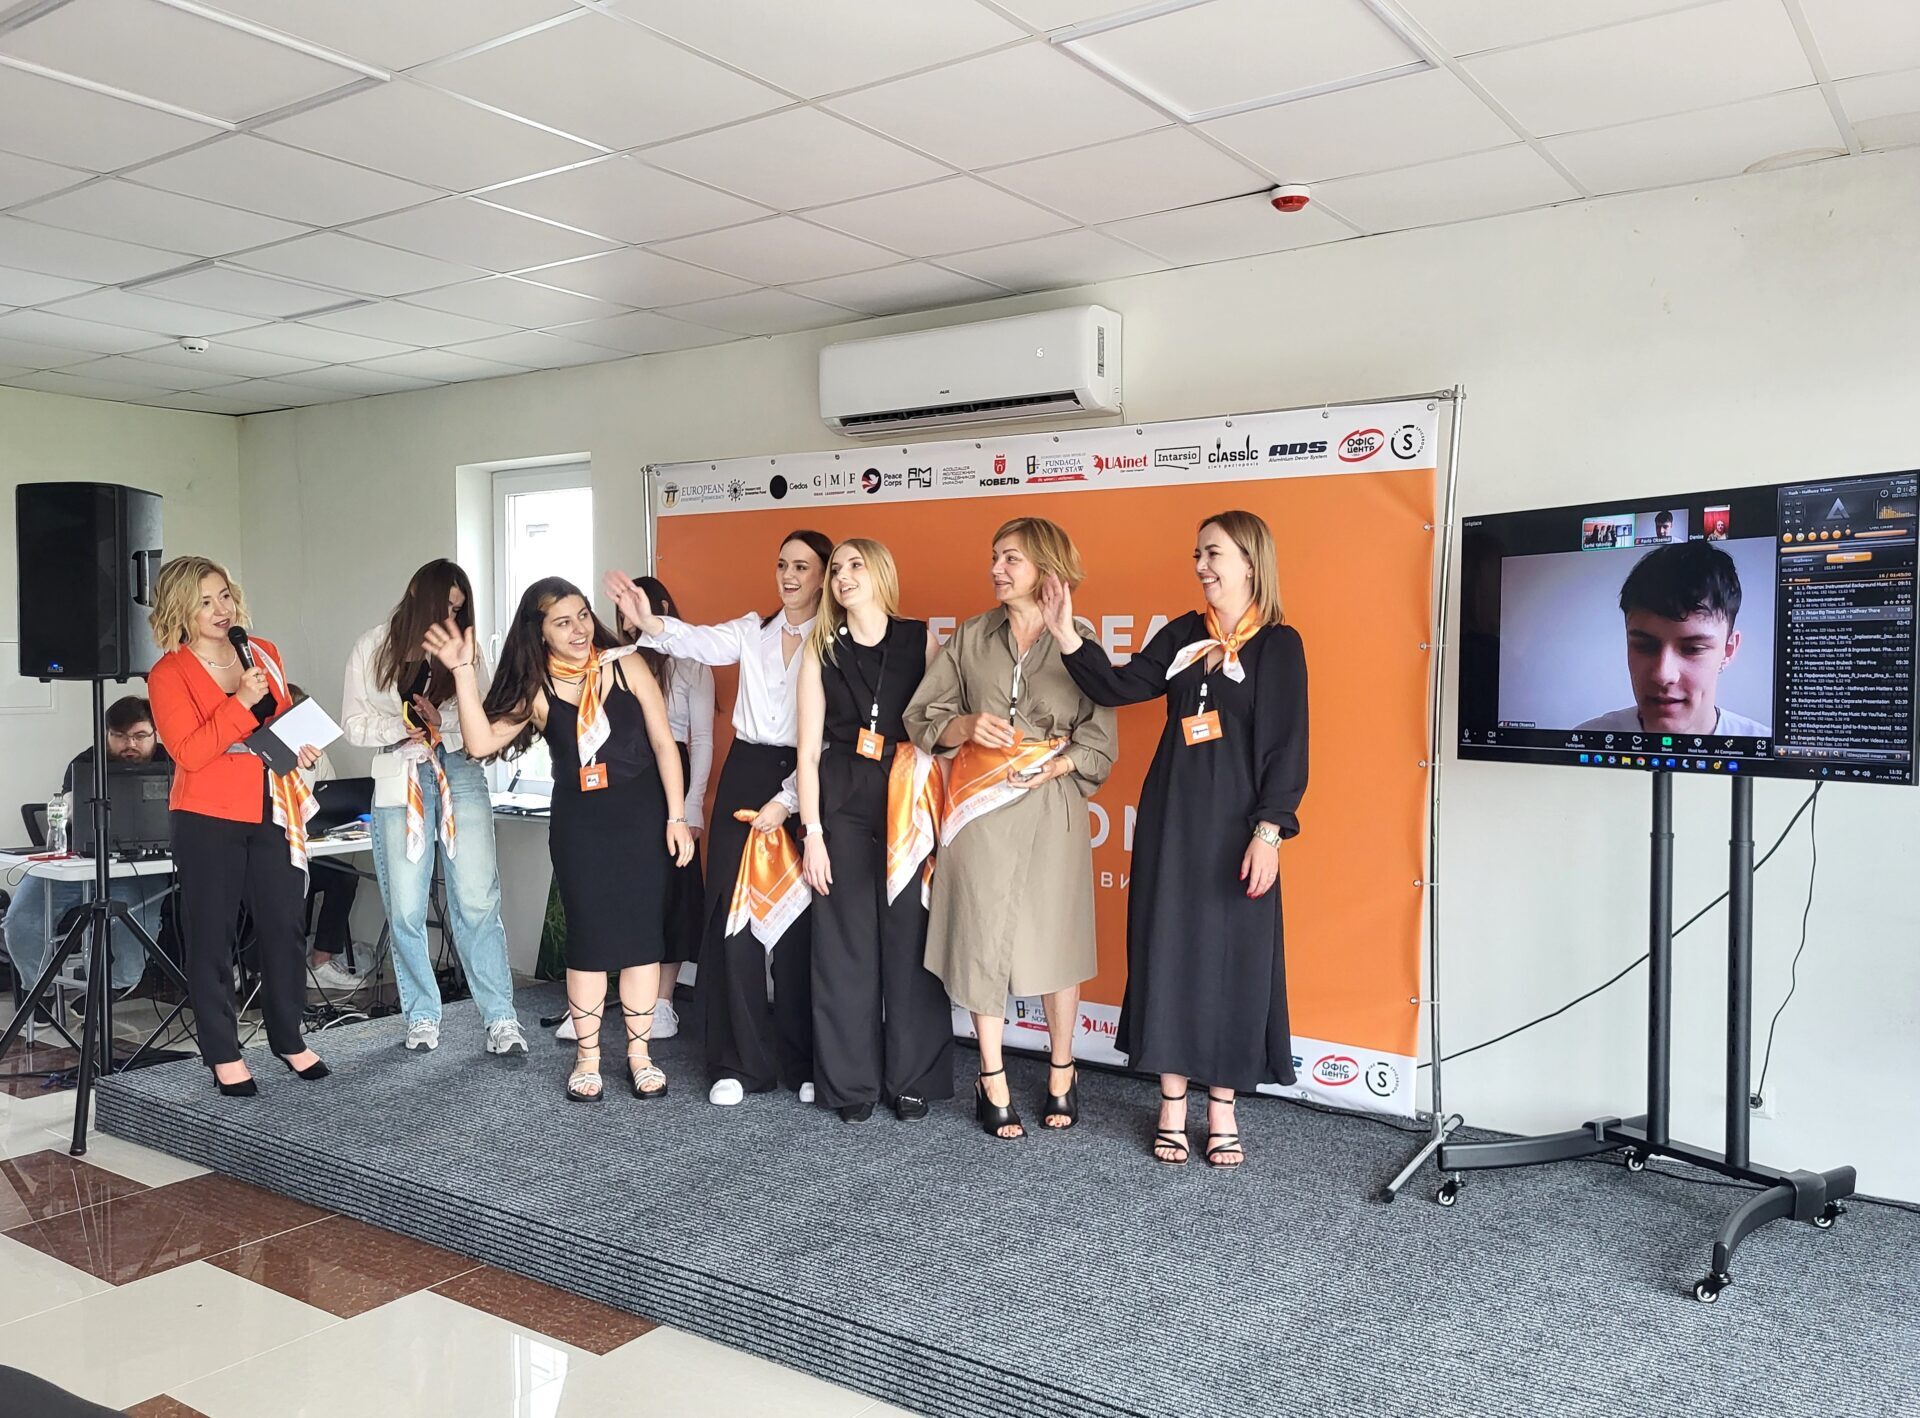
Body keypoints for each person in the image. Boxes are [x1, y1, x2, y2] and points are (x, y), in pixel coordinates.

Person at [1043, 511, 1309, 1168]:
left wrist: (1269, 832)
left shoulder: (1279, 645)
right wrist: (1068, 636)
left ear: (1251, 561)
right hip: (1172, 820)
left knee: (1232, 963)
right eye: (1197, 555)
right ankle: (1170, 1104)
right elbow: (1122, 685)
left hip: (1239, 828)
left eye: (1213, 553)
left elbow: (1288, 748)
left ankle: (1221, 1109)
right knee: (1168, 953)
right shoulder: (1184, 632)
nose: (1201, 566)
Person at [426, 578, 693, 1101]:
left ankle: (640, 1056)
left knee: (643, 940)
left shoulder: (627, 664)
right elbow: (479, 742)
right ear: (540, 632)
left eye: (583, 615)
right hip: (581, 826)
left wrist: (677, 817)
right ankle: (588, 1058)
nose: (578, 630)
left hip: (643, 817)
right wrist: (461, 672)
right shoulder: (537, 688)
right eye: (562, 622)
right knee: (588, 940)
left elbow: (665, 744)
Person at [903, 518, 1116, 1139]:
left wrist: (1060, 765)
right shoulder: (971, 635)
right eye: (994, 557)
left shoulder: (1079, 639)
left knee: (1057, 938)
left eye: (1011, 559)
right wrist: (966, 725)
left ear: (1045, 567)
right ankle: (991, 1076)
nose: (996, 568)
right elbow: (922, 717)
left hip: (1051, 803)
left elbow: (1100, 739)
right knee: (979, 936)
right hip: (981, 808)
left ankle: (1062, 1067)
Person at [605, 531, 830, 1109]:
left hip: (807, 777)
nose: (788, 576)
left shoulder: (835, 642)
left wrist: (791, 799)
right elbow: (698, 641)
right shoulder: (753, 630)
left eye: (802, 567)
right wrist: (649, 622)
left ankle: (804, 1061)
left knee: (801, 923)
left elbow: (831, 736)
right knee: (733, 920)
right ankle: (737, 1063)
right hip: (745, 773)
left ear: (824, 576)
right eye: (782, 564)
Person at [144, 555, 329, 1097]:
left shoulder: (262, 651)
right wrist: (242, 701)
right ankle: (222, 1051)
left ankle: (289, 1037)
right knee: (212, 935)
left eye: (224, 595)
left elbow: (279, 726)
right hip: (206, 815)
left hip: (272, 806)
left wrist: (301, 744)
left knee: (284, 924)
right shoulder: (168, 673)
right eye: (204, 602)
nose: (220, 609)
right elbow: (190, 751)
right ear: (180, 610)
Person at [341, 561, 527, 1056]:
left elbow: (483, 719)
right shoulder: (372, 646)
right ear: (416, 594)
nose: (450, 615)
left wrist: (439, 723)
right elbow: (353, 723)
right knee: (405, 904)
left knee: (477, 900)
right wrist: (402, 726)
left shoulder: (467, 651)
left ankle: (500, 1018)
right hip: (399, 771)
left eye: (459, 609)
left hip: (459, 769)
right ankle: (422, 1015)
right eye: (445, 604)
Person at [796, 538, 953, 1123]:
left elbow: (942, 731)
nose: (843, 577)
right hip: (841, 798)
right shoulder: (821, 647)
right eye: (836, 569)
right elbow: (807, 750)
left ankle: (912, 1080)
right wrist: (812, 832)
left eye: (855, 565)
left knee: (911, 937)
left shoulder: (920, 639)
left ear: (881, 572)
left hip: (906, 796)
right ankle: (850, 1084)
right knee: (844, 945)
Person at [3, 697, 171, 1005]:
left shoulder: (173, 763)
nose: (129, 744)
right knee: (21, 920)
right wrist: (67, 811)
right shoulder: (85, 763)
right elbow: (68, 811)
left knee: (134, 920)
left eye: (139, 736)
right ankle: (38, 991)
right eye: (119, 736)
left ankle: (118, 985)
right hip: (79, 865)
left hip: (141, 869)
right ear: (106, 734)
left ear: (156, 732)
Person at [617, 575, 712, 1041]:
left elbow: (703, 739)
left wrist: (692, 806)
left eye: (634, 610)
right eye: (621, 615)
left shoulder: (690, 661)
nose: (628, 622)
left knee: (674, 890)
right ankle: (608, 996)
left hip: (673, 772)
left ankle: (663, 1002)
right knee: (630, 888)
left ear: (661, 608)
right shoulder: (616, 659)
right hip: (625, 776)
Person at [1573, 542, 1769, 739]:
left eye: (1693, 649)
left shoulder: (1766, 747)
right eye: (1644, 646)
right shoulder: (1585, 739)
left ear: (1728, 650)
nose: (1662, 675)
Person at [283, 682, 362, 996]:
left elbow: (329, 798)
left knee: (345, 876)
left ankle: (321, 961)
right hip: (275, 854)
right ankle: (265, 965)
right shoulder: (263, 757)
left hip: (309, 849)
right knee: (291, 882)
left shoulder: (316, 754)